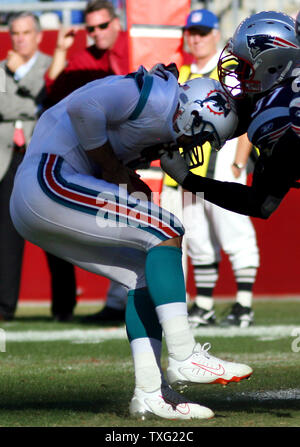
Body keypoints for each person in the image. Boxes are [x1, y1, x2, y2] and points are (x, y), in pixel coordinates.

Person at [10, 62, 253, 419]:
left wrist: (123, 178)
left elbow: (113, 154)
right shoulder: (154, 95)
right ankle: (184, 355)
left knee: (143, 269)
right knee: (166, 228)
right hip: (49, 176)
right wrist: (111, 167)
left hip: (45, 192)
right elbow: (83, 108)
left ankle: (150, 392)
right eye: (201, 136)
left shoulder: (165, 114)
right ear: (193, 113)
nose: (197, 145)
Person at [162, 9, 260, 328]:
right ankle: (204, 304)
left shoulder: (229, 70)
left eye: (202, 32)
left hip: (223, 163)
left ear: (216, 34)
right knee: (197, 236)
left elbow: (250, 114)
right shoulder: (186, 71)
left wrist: (239, 160)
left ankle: (244, 304)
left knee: (235, 232)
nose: (196, 38)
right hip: (192, 169)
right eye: (191, 32)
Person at [160, 12, 300, 223]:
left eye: (243, 65)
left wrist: (187, 179)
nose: (235, 72)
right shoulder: (282, 92)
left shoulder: (277, 115)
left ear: (273, 66)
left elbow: (261, 204)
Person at [45, 0, 129, 323]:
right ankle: (118, 301)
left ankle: (190, 301)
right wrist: (61, 53)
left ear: (117, 23)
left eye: (102, 26)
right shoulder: (84, 60)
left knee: (172, 223)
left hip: (149, 149)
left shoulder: (135, 47)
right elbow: (53, 93)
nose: (96, 33)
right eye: (90, 28)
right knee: (121, 226)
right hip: (110, 156)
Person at [0, 11, 76, 321]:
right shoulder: (3, 69)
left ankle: (63, 306)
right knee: (6, 235)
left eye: (25, 33)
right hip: (7, 157)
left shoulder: (51, 64)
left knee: (54, 229)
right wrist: (26, 91)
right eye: (14, 33)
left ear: (38, 35)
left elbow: (51, 97)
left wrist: (22, 78)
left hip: (43, 155)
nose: (19, 39)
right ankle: (4, 307)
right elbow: (6, 106)